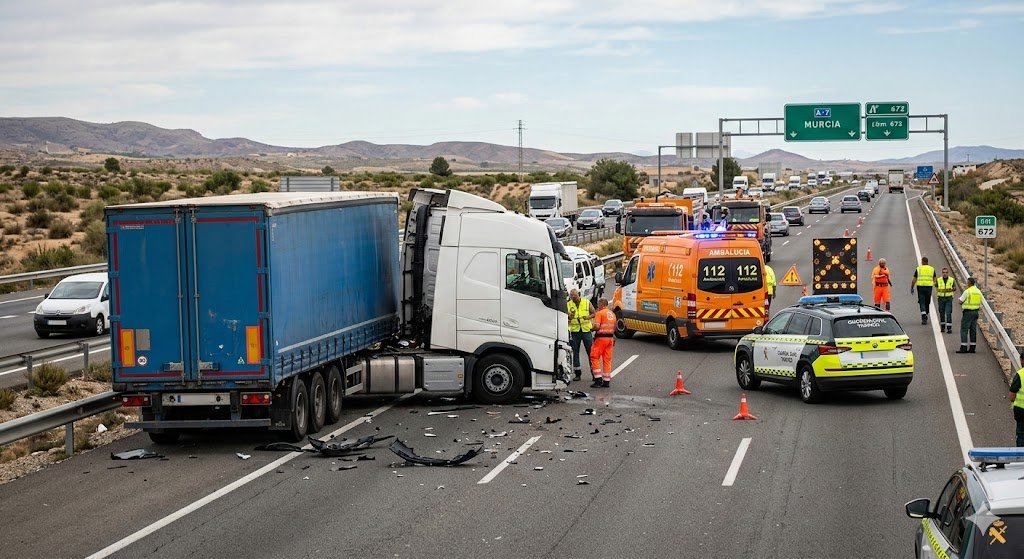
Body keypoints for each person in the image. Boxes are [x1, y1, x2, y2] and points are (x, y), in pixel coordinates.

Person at [567, 289, 595, 380]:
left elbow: (593, 313)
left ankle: (594, 373)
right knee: (575, 352)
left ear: (578, 294)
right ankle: (577, 374)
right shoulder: (568, 304)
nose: (573, 297)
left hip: (586, 330)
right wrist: (570, 316)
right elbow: (566, 318)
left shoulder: (586, 302)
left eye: (574, 295)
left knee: (590, 352)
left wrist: (588, 317)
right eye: (571, 296)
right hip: (575, 331)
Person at [590, 298, 616, 388]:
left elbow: (597, 326)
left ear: (601, 304)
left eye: (598, 303)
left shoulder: (600, 313)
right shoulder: (612, 314)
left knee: (594, 357)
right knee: (607, 359)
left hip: (601, 338)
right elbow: (614, 328)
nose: (597, 305)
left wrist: (591, 328)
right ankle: (606, 381)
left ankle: (598, 379)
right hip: (610, 339)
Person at [956, 277, 983, 354]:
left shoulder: (967, 292)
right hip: (975, 312)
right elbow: (981, 300)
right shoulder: (978, 291)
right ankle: (972, 347)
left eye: (967, 283)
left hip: (968, 312)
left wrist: (959, 300)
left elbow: (960, 301)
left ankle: (963, 347)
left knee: (964, 329)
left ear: (969, 283)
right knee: (973, 330)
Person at [910, 256, 936, 325]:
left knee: (922, 301)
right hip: (929, 287)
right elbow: (935, 280)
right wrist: (937, 288)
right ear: (927, 262)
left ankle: (924, 315)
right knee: (927, 301)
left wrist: (912, 287)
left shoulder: (918, 269)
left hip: (920, 287)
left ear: (923, 262)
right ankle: (925, 314)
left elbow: (914, 279)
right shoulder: (932, 269)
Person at [935, 267, 956, 334]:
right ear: (942, 273)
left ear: (948, 273)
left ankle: (949, 328)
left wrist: (949, 290)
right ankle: (943, 327)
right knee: (941, 312)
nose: (945, 274)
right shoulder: (939, 280)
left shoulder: (951, 280)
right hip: (941, 298)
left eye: (946, 272)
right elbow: (937, 288)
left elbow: (954, 288)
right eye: (943, 272)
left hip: (948, 298)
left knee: (948, 312)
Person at [1010, 355, 1024, 446]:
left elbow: (1011, 396)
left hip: (1021, 411)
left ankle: (1021, 459)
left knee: (1021, 436)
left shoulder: (1020, 374)